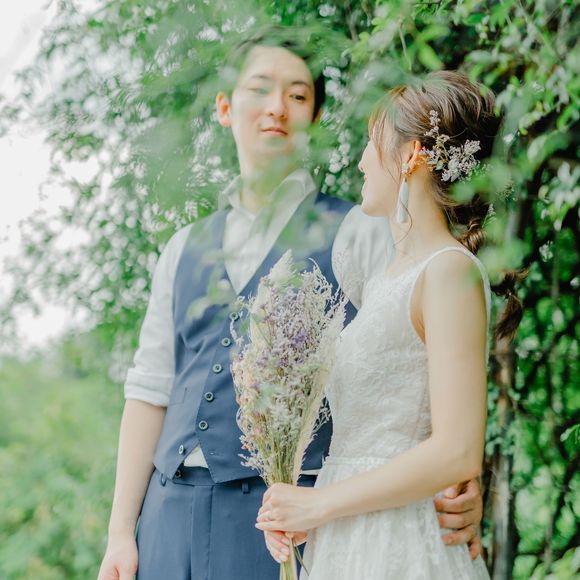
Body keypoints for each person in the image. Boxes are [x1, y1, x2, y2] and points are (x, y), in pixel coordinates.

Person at [97, 26, 486, 580]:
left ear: (315, 117)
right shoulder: (182, 247)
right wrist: (120, 532)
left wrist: (457, 480)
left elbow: (417, 359)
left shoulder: (361, 230)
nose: (277, 107)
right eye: (260, 89)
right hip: (168, 515)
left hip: (283, 520)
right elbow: (150, 389)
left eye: (298, 95)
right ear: (225, 107)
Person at [256, 71, 524, 578]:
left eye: (371, 143)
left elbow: (457, 450)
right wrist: (303, 513)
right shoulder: (383, 280)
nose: (361, 161)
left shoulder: (448, 271)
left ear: (411, 156)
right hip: (349, 539)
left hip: (405, 544)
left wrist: (319, 504)